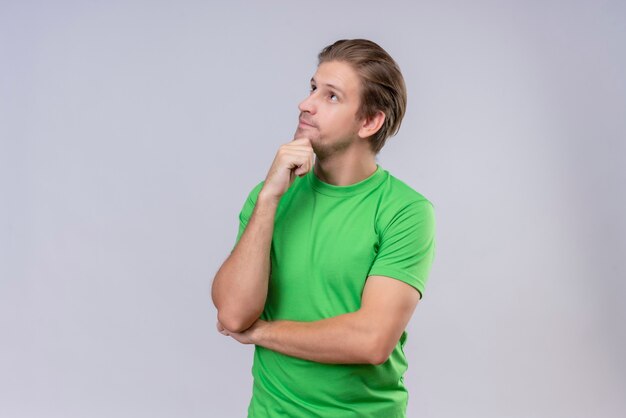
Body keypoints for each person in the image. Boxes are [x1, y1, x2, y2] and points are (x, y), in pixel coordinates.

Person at [211, 39, 436, 417]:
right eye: (313, 87)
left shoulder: (406, 211)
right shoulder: (271, 195)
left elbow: (371, 340)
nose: (306, 103)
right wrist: (268, 200)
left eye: (331, 96)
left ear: (369, 121)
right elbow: (233, 314)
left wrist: (261, 333)